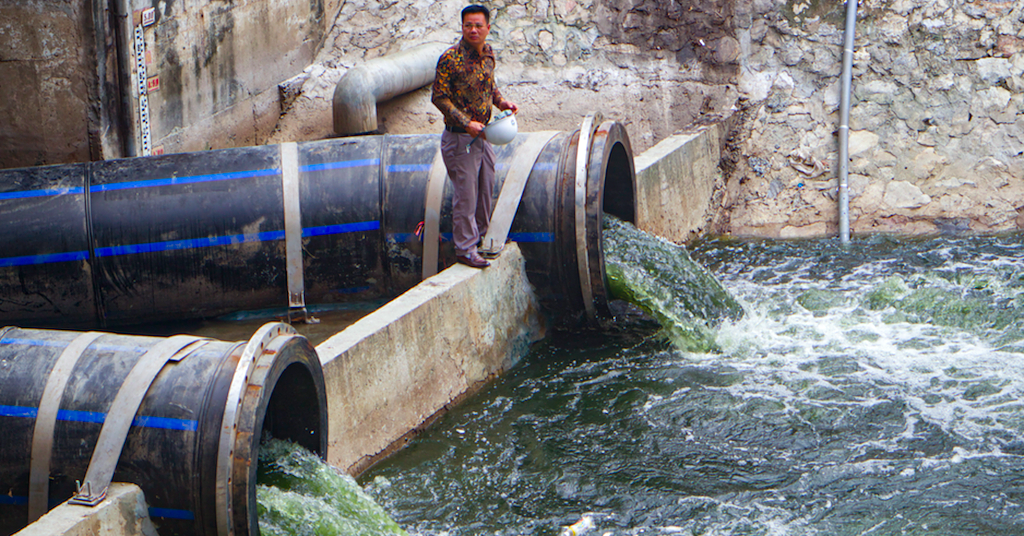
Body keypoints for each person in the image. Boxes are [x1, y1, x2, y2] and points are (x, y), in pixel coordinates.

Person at [431, 4, 518, 269]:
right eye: (468, 25)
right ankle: (465, 249)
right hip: (460, 138)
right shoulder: (450, 58)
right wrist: (466, 122)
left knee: (485, 187)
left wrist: (502, 103)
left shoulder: (489, 54)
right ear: (462, 27)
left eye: (478, 25)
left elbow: (490, 87)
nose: (473, 30)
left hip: (483, 136)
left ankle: (479, 238)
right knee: (466, 196)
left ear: (488, 28)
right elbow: (439, 97)